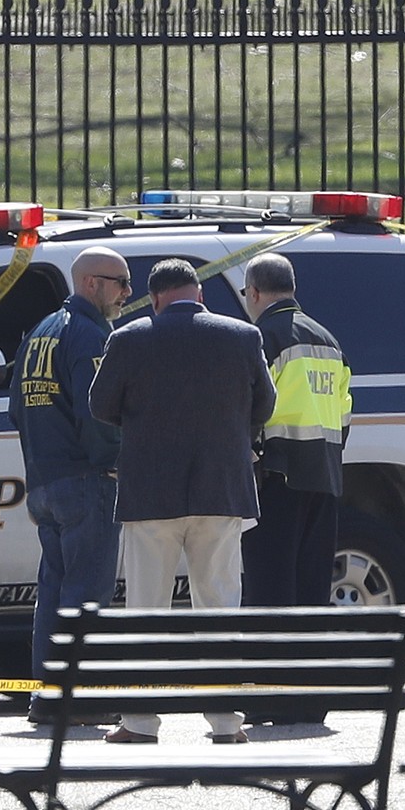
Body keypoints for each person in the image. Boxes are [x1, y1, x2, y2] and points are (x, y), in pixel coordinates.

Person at [89, 258, 276, 745]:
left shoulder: (128, 339)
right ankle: (226, 721)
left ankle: (140, 721)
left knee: (147, 610)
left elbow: (100, 406)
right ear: (199, 293)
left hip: (150, 493)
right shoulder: (242, 337)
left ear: (153, 298)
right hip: (222, 490)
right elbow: (266, 405)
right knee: (218, 606)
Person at [8, 247, 129, 726]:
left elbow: (17, 409)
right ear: (90, 284)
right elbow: (97, 411)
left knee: (54, 589)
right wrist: (113, 462)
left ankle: (48, 695)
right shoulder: (90, 335)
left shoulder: (40, 333)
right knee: (87, 592)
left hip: (44, 480)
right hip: (86, 480)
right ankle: (79, 697)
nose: (127, 293)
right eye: (119, 282)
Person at [239, 254, 351, 725]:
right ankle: (309, 699)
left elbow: (252, 405)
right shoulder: (327, 338)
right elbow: (345, 410)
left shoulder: (264, 337)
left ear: (255, 293)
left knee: (269, 592)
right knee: (311, 591)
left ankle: (268, 698)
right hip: (323, 476)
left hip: (277, 475)